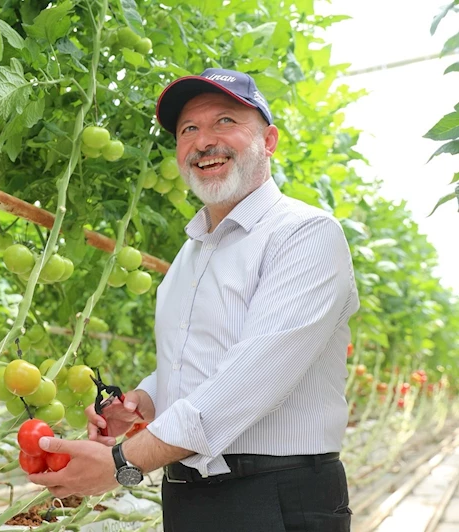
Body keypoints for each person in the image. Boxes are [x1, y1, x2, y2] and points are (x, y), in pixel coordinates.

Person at [28, 68, 359, 532]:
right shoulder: (192, 253)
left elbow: (252, 378)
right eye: (189, 130)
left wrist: (123, 461)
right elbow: (202, 363)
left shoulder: (304, 234)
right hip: (187, 493)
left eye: (225, 121)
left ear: (268, 140)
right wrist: (146, 398)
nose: (204, 141)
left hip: (277, 497)